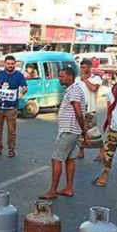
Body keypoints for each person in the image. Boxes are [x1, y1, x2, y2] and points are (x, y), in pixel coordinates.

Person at [40, 67, 88, 200]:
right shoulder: (74, 89)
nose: (59, 79)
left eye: (62, 76)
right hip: (72, 130)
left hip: (69, 130)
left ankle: (53, 190)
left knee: (57, 158)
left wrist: (84, 131)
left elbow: (78, 111)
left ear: (70, 77)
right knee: (69, 159)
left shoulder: (73, 91)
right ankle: (68, 188)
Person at [0, 55, 27, 158]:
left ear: (15, 65)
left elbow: (24, 87)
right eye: (8, 64)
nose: (10, 66)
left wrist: (22, 92)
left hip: (12, 108)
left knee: (11, 130)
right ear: (5, 64)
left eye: (12, 64)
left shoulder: (18, 75)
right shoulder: (0, 74)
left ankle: (11, 149)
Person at [77, 59, 105, 161]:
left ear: (89, 68)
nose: (82, 69)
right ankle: (81, 152)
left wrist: (85, 79)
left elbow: (93, 88)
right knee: (80, 131)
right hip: (80, 108)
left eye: (84, 67)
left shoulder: (96, 78)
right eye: (81, 67)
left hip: (90, 109)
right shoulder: (77, 79)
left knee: (93, 131)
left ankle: (102, 152)